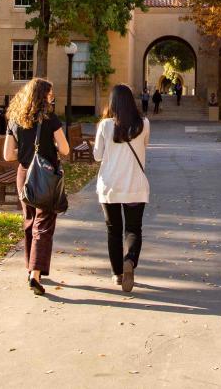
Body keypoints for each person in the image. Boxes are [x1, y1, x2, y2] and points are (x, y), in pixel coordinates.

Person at [3, 77, 72, 294]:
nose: (52, 98)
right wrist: (48, 146)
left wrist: (26, 151)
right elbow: (65, 149)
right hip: (45, 175)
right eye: (50, 95)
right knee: (43, 224)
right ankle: (35, 272)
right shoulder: (50, 118)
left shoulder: (14, 118)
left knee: (29, 221)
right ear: (43, 95)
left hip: (24, 174)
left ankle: (29, 267)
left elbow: (7, 155)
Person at [92, 83, 150, 293]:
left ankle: (117, 273)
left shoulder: (105, 126)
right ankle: (130, 260)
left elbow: (97, 156)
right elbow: (144, 147)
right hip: (135, 185)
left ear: (112, 103)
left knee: (113, 231)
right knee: (133, 229)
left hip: (110, 186)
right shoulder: (144, 124)